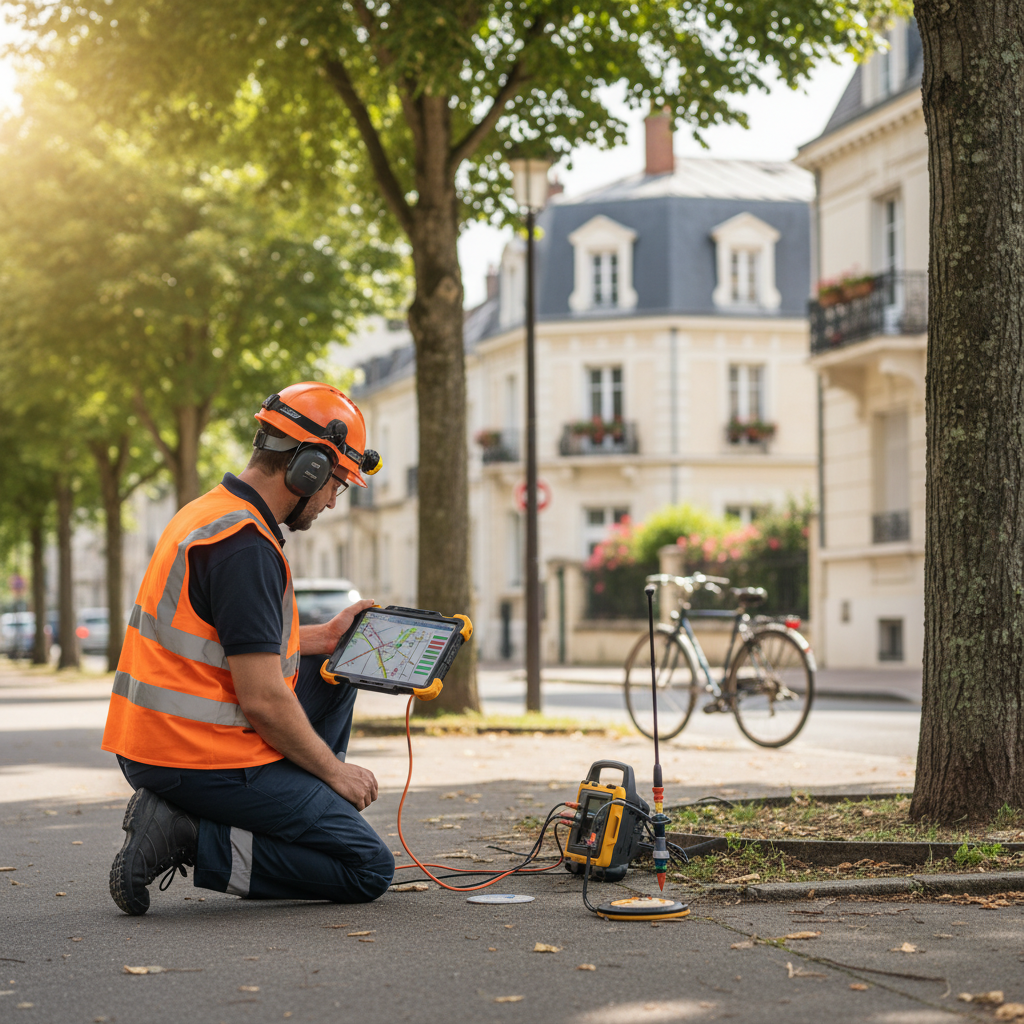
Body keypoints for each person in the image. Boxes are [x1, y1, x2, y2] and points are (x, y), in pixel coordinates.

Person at [101, 382, 393, 915]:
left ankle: (302, 810)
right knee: (367, 867)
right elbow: (261, 699)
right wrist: (334, 771)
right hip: (190, 755)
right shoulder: (245, 547)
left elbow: (225, 642)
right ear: (307, 467)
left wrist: (322, 639)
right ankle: (188, 833)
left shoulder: (213, 513)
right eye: (336, 483)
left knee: (334, 669)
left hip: (157, 741)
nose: (331, 499)